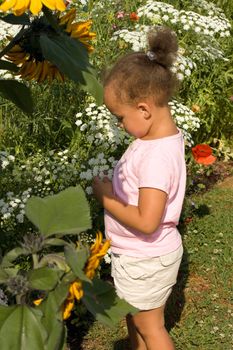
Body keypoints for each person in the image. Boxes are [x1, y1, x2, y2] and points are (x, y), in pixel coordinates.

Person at [93, 26, 186, 350]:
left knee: (151, 327)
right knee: (134, 317)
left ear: (144, 109)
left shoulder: (155, 158)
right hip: (140, 256)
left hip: (146, 258)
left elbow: (147, 221)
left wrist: (107, 199)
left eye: (119, 117)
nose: (120, 125)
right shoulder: (156, 139)